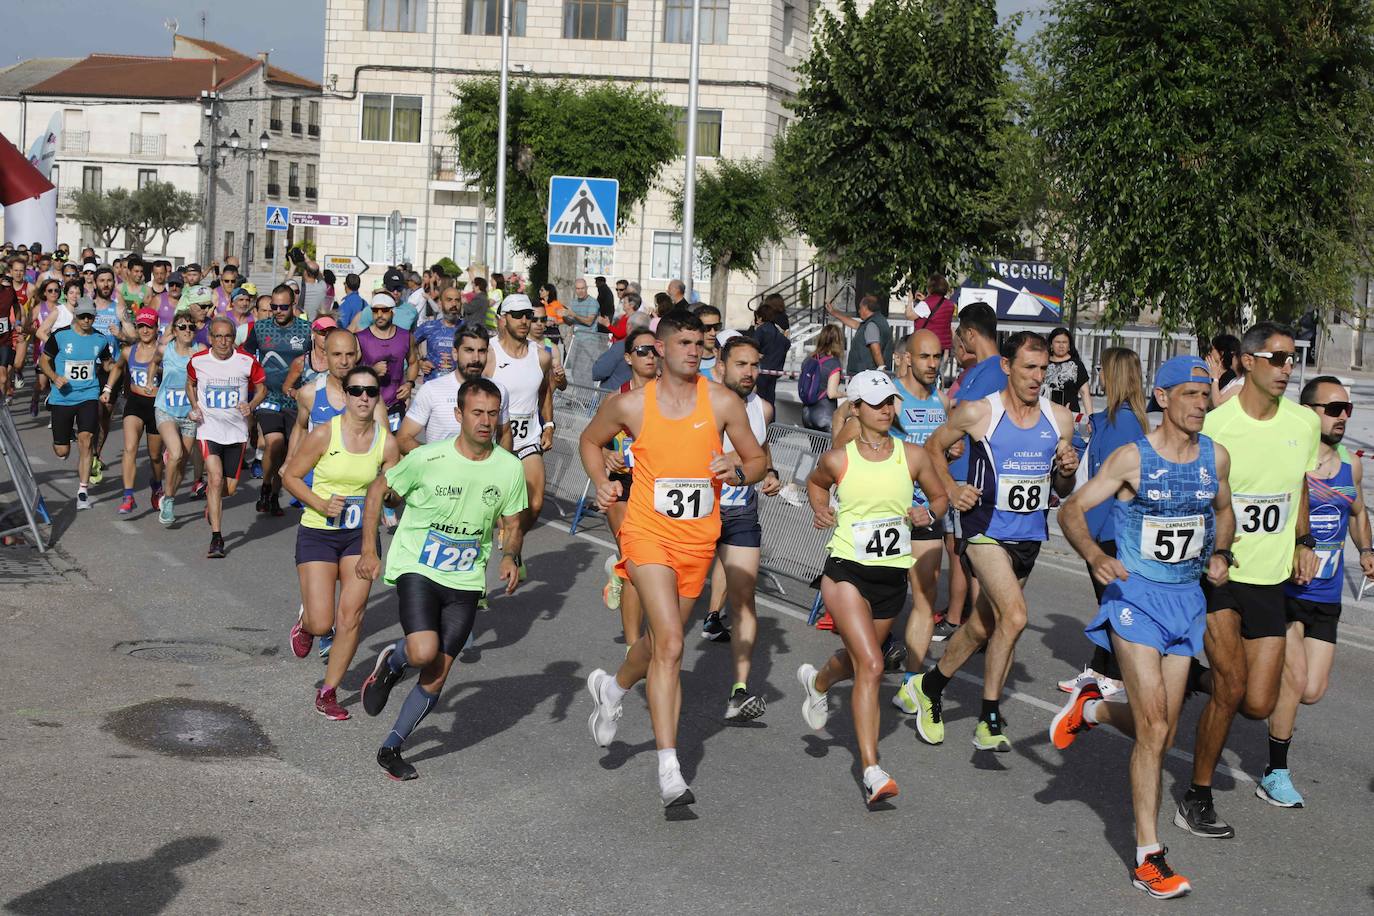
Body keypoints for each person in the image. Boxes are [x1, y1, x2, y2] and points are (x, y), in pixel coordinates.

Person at [1051, 355, 1235, 900]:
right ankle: (1148, 856)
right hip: (1134, 598)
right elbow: (1071, 510)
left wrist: (1221, 552)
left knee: (1163, 728)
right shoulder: (1134, 458)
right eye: (1191, 395)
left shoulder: (1216, 458)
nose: (1202, 404)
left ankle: (1093, 707)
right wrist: (1093, 554)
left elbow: (1224, 511)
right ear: (1161, 396)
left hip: (1185, 601)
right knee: (1154, 728)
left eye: (1206, 395)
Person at [579, 311, 767, 808]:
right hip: (646, 533)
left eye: (698, 342)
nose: (693, 350)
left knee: (660, 644)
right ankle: (670, 769)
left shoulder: (724, 402)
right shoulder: (634, 406)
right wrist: (601, 479)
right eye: (682, 342)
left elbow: (758, 460)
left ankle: (613, 688)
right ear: (660, 348)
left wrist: (739, 469)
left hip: (697, 542)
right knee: (671, 645)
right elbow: (589, 441)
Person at [1179, 322, 1320, 839]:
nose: (1287, 368)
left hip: (1269, 580)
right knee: (1233, 686)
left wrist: (1304, 541)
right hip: (1218, 572)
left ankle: (1189, 677)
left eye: (1292, 359)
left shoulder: (1303, 424)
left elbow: (1298, 485)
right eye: (1278, 358)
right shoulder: (1216, 425)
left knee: (1257, 704)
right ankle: (1197, 796)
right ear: (1248, 362)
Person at [356, 378, 527, 780]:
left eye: (492, 413)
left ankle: (391, 747)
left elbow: (513, 521)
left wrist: (509, 555)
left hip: (465, 579)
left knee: (438, 674)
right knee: (421, 651)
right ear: (459, 415)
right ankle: (393, 663)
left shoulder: (509, 467)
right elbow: (378, 489)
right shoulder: (427, 458)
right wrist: (368, 549)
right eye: (477, 413)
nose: (486, 421)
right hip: (420, 566)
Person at [915, 331, 1079, 749]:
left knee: (983, 626)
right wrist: (951, 490)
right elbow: (933, 448)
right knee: (1016, 616)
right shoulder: (979, 413)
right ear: (1007, 367)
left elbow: (1064, 483)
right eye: (1028, 368)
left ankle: (929, 686)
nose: (1037, 377)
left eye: (1043, 369)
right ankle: (989, 717)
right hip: (984, 530)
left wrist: (1067, 466)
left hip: (1029, 535)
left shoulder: (1059, 418)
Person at [797, 370, 949, 807]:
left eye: (890, 402)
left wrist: (928, 515)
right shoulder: (840, 459)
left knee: (863, 662)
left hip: (890, 577)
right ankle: (871, 769)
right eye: (877, 403)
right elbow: (815, 483)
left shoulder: (913, 455)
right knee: (873, 665)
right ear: (857, 408)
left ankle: (819, 683)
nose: (886, 410)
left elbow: (938, 498)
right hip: (846, 570)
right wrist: (820, 508)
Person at [1256, 377, 1372, 808]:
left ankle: (1251, 678)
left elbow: (1358, 512)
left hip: (1326, 595)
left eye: (1348, 410)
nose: (1343, 416)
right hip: (1284, 589)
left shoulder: (1350, 466)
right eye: (1334, 408)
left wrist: (1366, 549)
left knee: (1312, 690)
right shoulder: (1291, 462)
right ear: (1309, 412)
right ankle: (1275, 771)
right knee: (1295, 679)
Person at [282, 365, 397, 720]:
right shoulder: (323, 434)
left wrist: (391, 495)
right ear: (345, 395)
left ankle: (328, 692)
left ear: (378, 398)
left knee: (351, 616)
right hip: (318, 531)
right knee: (322, 623)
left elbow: (392, 492)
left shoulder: (386, 441)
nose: (364, 397)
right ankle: (306, 625)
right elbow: (290, 475)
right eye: (357, 391)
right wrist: (317, 502)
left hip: (360, 537)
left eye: (371, 392)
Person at [1057, 347, 1149, 700]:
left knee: (1114, 606)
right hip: (1110, 527)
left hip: (1110, 529)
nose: (1098, 375)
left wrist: (1086, 534)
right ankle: (1099, 670)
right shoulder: (1117, 419)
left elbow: (1107, 485)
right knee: (1110, 604)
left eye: (1103, 369)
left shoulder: (1120, 422)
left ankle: (1116, 675)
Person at [698, 336, 781, 719]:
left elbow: (761, 453)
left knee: (744, 599)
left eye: (754, 365)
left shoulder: (762, 408)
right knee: (677, 605)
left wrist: (771, 471)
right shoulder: (703, 401)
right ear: (722, 364)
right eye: (741, 365)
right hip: (699, 512)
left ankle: (739, 691)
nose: (750, 373)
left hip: (741, 514)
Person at [937, 302, 1005, 635]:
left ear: (970, 333)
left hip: (970, 473)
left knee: (974, 556)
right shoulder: (992, 369)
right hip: (974, 470)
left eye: (961, 335)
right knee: (969, 553)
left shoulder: (988, 370)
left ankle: (979, 629)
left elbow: (961, 417)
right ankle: (976, 626)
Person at [186, 317, 267, 558]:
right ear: (210, 338)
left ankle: (213, 499)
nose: (223, 341)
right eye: (218, 336)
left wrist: (251, 405)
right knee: (216, 478)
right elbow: (190, 384)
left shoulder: (246, 361)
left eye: (228, 336)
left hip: (236, 432)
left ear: (234, 338)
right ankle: (217, 538)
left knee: (228, 489)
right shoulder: (198, 361)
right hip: (208, 429)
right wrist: (194, 406)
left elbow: (262, 388)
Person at [485, 294, 553, 566]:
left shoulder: (541, 356)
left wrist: (548, 424)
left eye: (528, 315)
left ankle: (513, 543)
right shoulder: (489, 353)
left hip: (527, 438)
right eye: (518, 315)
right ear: (504, 319)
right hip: (495, 441)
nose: (525, 320)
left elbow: (546, 392)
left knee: (534, 504)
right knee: (491, 509)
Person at [601, 327, 658, 646]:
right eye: (642, 351)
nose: (650, 356)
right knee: (634, 560)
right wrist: (607, 455)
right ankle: (634, 645)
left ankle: (617, 573)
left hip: (655, 488)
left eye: (654, 350)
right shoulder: (616, 397)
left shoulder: (670, 397)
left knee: (645, 566)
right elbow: (593, 441)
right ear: (628, 358)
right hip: (622, 484)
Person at [241, 284, 312, 515]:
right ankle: (265, 486)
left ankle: (272, 495)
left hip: (296, 399)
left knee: (286, 453)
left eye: (283, 306)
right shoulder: (260, 328)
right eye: (274, 306)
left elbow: (318, 359)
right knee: (274, 442)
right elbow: (245, 357)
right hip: (268, 396)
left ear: (293, 305)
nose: (278, 311)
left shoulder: (306, 329)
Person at [39, 300, 116, 510]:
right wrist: (54, 377)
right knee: (62, 451)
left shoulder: (99, 340)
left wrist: (116, 365)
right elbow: (43, 362)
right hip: (62, 397)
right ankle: (64, 433)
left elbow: (107, 362)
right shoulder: (60, 336)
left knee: (87, 439)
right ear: (76, 316)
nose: (86, 320)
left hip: (88, 396)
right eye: (82, 316)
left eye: (90, 316)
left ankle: (83, 491)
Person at [398, 324, 510, 453]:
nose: (476, 358)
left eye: (481, 351)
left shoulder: (499, 390)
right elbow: (403, 439)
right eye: (469, 350)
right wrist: (434, 460)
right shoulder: (432, 390)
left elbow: (505, 434)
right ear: (455, 353)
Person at [104, 309, 165, 515]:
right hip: (135, 404)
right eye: (141, 326)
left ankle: (156, 485)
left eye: (149, 326)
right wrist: (108, 389)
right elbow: (118, 367)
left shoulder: (164, 352)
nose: (145, 330)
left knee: (155, 457)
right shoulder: (128, 351)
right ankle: (128, 495)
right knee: (130, 448)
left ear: (157, 328)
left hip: (157, 406)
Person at [154, 313, 201, 527]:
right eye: (182, 326)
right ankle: (170, 501)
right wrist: (149, 381)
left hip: (190, 414)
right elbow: (153, 362)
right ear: (174, 330)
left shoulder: (200, 353)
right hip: (166, 410)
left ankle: (168, 493)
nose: (187, 330)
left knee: (182, 461)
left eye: (191, 326)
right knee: (176, 452)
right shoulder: (165, 350)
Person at [356, 294, 418, 432]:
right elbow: (349, 373)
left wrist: (409, 384)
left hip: (395, 405)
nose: (379, 315)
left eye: (384, 310)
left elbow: (413, 362)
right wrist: (372, 371)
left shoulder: (406, 336)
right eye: (375, 310)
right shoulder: (361, 338)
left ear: (392, 312)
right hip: (367, 405)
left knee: (393, 447)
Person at [828, 294, 893, 376]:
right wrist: (834, 312)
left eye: (860, 308)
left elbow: (875, 349)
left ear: (865, 308)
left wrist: (882, 369)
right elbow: (855, 324)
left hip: (865, 375)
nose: (859, 311)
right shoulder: (878, 321)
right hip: (867, 374)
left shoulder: (871, 325)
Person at [798, 324, 845, 433]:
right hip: (824, 413)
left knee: (814, 449)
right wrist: (845, 394)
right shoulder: (833, 363)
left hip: (806, 413)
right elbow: (831, 393)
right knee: (827, 449)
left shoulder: (809, 359)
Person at [413, 283, 463, 381]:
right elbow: (409, 345)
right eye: (449, 300)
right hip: (432, 386)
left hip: (459, 387)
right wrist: (420, 361)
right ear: (440, 303)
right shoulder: (429, 326)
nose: (454, 304)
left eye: (457, 300)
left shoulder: (469, 328)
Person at [904, 274, 958, 360]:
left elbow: (909, 315)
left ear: (930, 288)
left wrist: (910, 299)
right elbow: (936, 312)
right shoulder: (950, 304)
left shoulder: (926, 304)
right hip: (944, 349)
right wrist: (925, 300)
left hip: (928, 347)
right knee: (939, 373)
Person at [751, 294, 791, 406]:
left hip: (763, 367)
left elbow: (753, 344)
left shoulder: (763, 329)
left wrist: (756, 354)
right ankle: (771, 422)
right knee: (770, 398)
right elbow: (786, 342)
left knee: (759, 399)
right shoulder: (783, 322)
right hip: (776, 365)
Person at [1044, 326, 1094, 416]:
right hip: (1045, 414)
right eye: (1057, 342)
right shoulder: (1043, 363)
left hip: (1070, 415)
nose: (1061, 345)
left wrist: (1091, 417)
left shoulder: (1077, 364)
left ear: (1069, 345)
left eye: (1064, 342)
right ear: (1051, 344)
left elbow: (1084, 392)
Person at [563, 277, 602, 382]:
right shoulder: (573, 302)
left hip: (589, 342)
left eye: (582, 288)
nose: (580, 291)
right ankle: (579, 397)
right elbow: (571, 322)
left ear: (587, 288)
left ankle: (587, 397)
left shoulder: (593, 302)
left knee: (587, 372)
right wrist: (563, 316)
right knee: (575, 371)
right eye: (577, 289)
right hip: (576, 341)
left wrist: (573, 314)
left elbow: (589, 322)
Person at [1206, 333, 1244, 406]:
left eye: (1212, 349)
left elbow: (1217, 403)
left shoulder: (1241, 382)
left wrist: (1215, 379)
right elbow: (1211, 401)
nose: (1232, 358)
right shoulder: (1234, 380)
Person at [693, 304, 724, 379]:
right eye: (707, 328)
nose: (713, 333)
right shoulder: (688, 360)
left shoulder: (726, 359)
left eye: (717, 327)